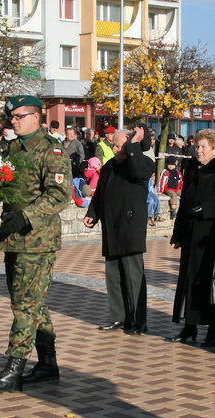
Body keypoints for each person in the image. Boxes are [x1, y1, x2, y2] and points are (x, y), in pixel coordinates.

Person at [0, 95, 72, 393]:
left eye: (18, 116)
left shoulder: (51, 149)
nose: (13, 121)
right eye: (11, 118)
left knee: (24, 305)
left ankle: (13, 367)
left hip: (37, 238)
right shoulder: (11, 148)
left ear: (36, 117)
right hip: (13, 236)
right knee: (34, 304)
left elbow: (59, 194)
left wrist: (27, 216)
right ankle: (47, 363)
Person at [168, 129, 215, 346]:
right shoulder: (191, 170)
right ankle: (190, 326)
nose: (198, 150)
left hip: (212, 236)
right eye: (197, 146)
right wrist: (178, 232)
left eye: (203, 147)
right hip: (191, 233)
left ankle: (214, 328)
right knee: (190, 279)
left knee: (210, 280)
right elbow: (184, 204)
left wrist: (207, 209)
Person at [83, 126, 154, 335]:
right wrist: (92, 213)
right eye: (113, 144)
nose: (113, 149)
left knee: (133, 276)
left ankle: (138, 320)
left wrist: (134, 145)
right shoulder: (110, 166)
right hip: (112, 226)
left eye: (117, 145)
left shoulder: (142, 163)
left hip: (130, 226)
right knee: (114, 276)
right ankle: (119, 317)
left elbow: (137, 170)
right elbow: (100, 193)